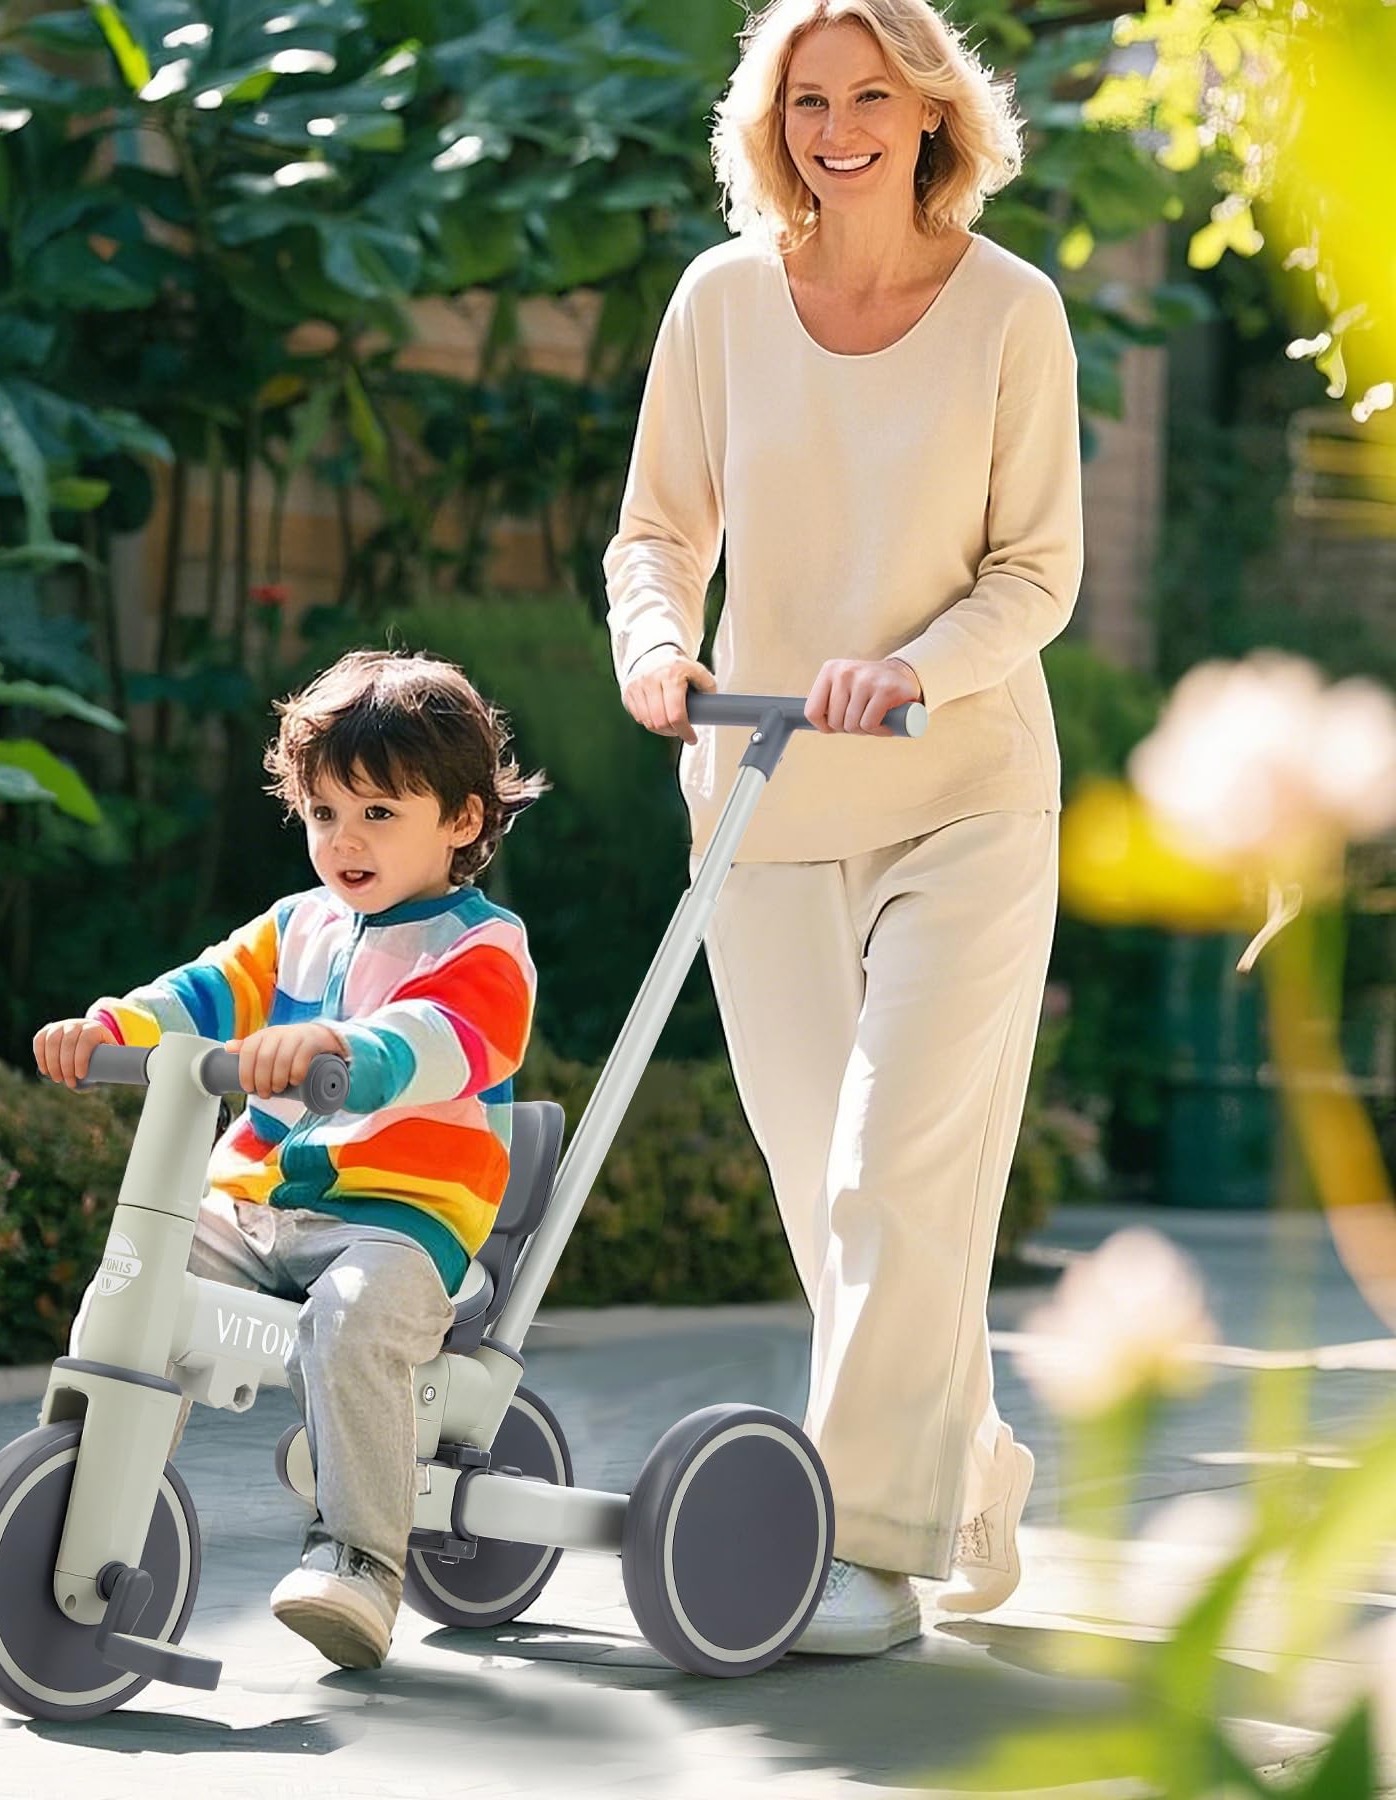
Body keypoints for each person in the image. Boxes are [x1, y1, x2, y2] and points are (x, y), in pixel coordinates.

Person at [605, 0, 1081, 1656]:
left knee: (897, 1180)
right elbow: (660, 526)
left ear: (932, 110)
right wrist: (657, 648)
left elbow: (1037, 571)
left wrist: (916, 668)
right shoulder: (722, 303)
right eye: (808, 97)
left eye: (871, 92)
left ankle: (865, 1554)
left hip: (961, 798)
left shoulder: (1011, 313)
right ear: (774, 119)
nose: (838, 125)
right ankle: (969, 1469)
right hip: (764, 804)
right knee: (831, 1207)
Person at [35, 648, 547, 1671]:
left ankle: (360, 1559)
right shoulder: (297, 927)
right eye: (323, 815)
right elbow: (203, 991)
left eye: (378, 815)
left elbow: (442, 1041)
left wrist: (342, 1051)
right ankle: (86, 1486)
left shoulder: (485, 950)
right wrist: (112, 1026)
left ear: (463, 820)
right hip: (258, 1206)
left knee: (353, 1323)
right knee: (140, 1281)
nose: (343, 842)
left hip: (398, 1223)